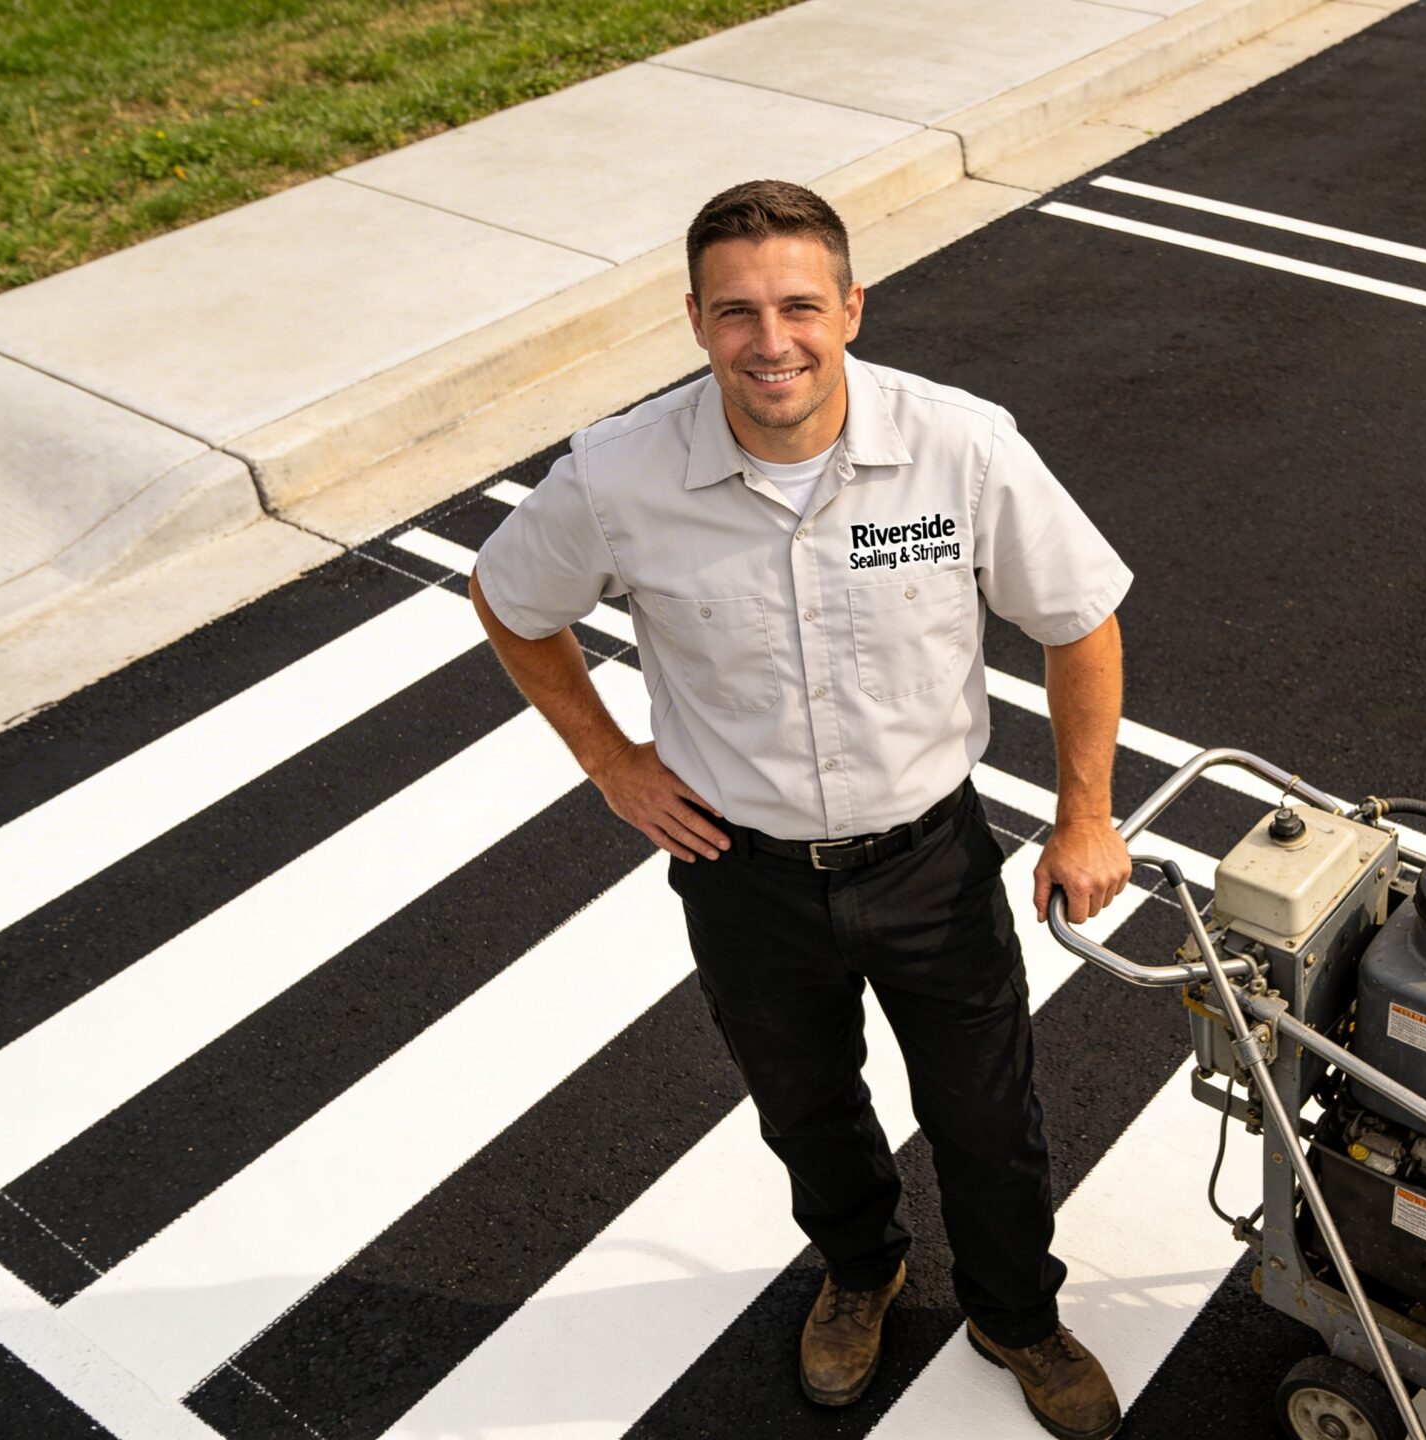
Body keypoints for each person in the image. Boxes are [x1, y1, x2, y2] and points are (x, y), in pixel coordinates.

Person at [468, 179, 1134, 1440]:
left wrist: (1084, 814)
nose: (768, 341)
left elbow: (1080, 618)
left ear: (851, 308)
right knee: (804, 1102)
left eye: (796, 306)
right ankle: (860, 1271)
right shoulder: (618, 475)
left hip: (929, 860)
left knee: (987, 1118)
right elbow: (511, 600)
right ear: (694, 320)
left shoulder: (961, 445)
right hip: (744, 870)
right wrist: (611, 763)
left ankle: (1015, 1314)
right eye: (735, 312)